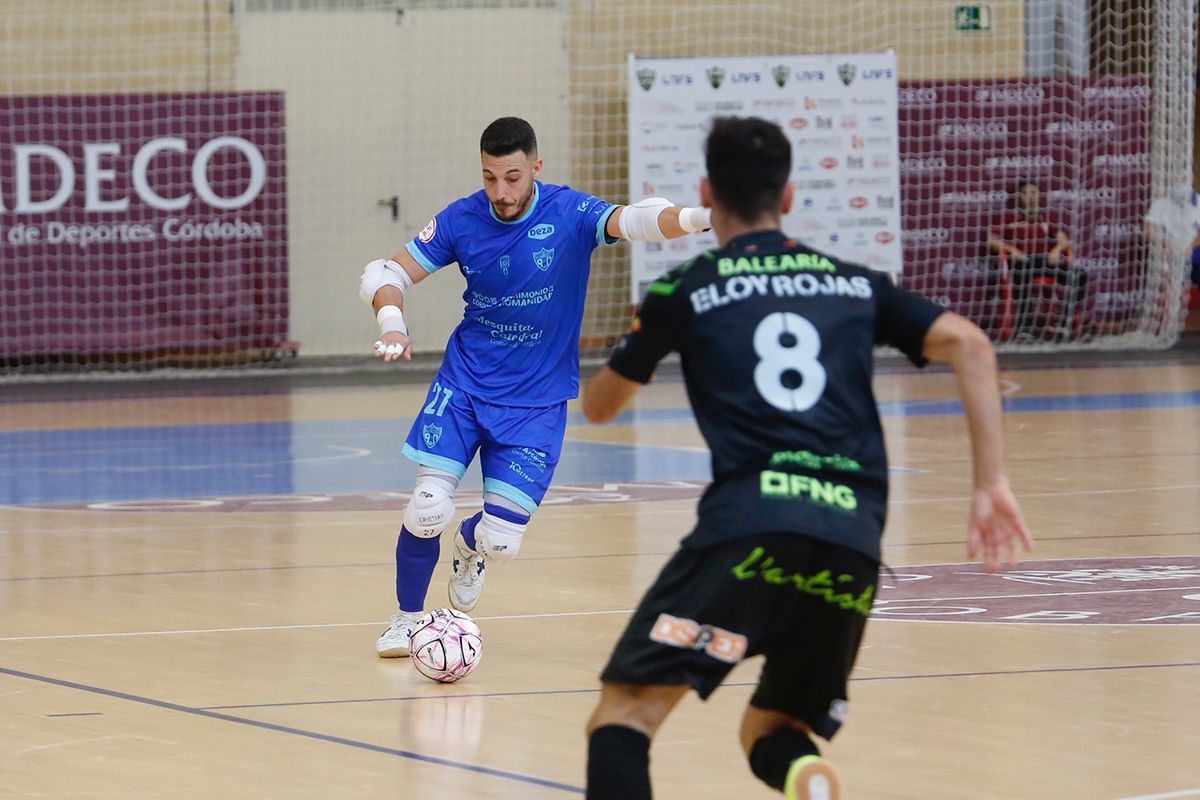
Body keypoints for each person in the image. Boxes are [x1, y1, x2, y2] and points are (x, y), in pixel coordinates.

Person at [580, 116, 1033, 800]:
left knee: (624, 716)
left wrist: (623, 356)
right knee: (772, 729)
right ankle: (808, 781)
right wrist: (990, 481)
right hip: (851, 541)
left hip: (749, 532)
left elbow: (600, 408)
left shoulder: (686, 289)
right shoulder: (854, 284)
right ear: (787, 197)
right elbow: (970, 345)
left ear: (707, 191)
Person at [360, 116, 713, 658]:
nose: (501, 192)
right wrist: (392, 323)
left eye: (513, 178)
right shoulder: (462, 218)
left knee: (501, 540)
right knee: (427, 505)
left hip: (537, 402)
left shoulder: (569, 212)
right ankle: (407, 620)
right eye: (490, 178)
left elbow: (638, 220)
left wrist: (698, 218)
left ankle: (470, 549)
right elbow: (387, 272)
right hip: (466, 385)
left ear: (536, 168)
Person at [986, 178, 1081, 340]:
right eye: (1026, 194)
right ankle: (1023, 328)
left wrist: (1056, 250)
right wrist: (1011, 249)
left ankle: (1064, 322)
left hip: (1044, 261)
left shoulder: (1044, 217)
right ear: (1018, 196)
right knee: (1022, 274)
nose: (1030, 197)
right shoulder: (1008, 217)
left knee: (1079, 275)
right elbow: (991, 240)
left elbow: (1064, 240)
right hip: (1021, 261)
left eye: (1034, 193)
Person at [1144, 183, 1200, 292]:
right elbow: (1147, 230)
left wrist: (1188, 248)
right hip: (1168, 250)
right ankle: (1169, 302)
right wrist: (1162, 243)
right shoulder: (1161, 204)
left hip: (1194, 249)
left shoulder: (1198, 201)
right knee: (1165, 276)